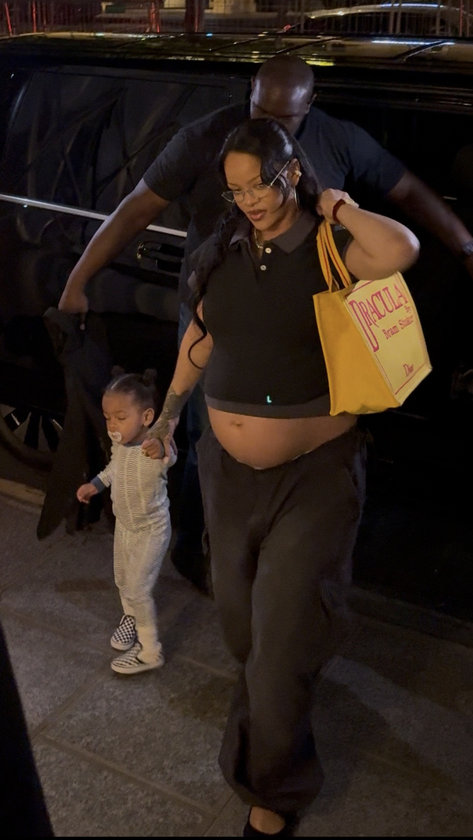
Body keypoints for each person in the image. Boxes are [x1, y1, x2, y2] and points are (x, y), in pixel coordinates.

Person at [57, 53, 473, 595]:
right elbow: (136, 209)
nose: (271, 127)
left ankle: (278, 555)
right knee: (206, 434)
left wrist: (464, 246)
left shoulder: (337, 140)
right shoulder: (205, 138)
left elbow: (408, 197)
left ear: (309, 107)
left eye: (286, 120)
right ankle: (202, 550)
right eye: (261, 111)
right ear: (249, 91)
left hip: (301, 323)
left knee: (297, 440)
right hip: (221, 313)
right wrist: (78, 280)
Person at [140, 117, 420, 836]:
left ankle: (274, 794)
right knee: (244, 632)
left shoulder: (331, 245)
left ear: (290, 171)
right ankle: (274, 713)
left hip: (314, 477)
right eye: (235, 191)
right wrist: (166, 417)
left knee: (281, 639)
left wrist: (336, 205)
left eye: (259, 184)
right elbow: (201, 339)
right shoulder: (223, 248)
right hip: (227, 476)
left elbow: (402, 249)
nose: (249, 201)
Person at [76, 368, 177, 675]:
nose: (112, 425)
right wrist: (96, 484)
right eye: (108, 417)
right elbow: (114, 469)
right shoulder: (121, 446)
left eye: (120, 417)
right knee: (123, 579)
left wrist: (161, 446)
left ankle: (149, 651)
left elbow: (169, 455)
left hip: (151, 529)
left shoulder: (154, 447)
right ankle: (131, 618)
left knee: (138, 588)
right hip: (125, 527)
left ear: (146, 417)